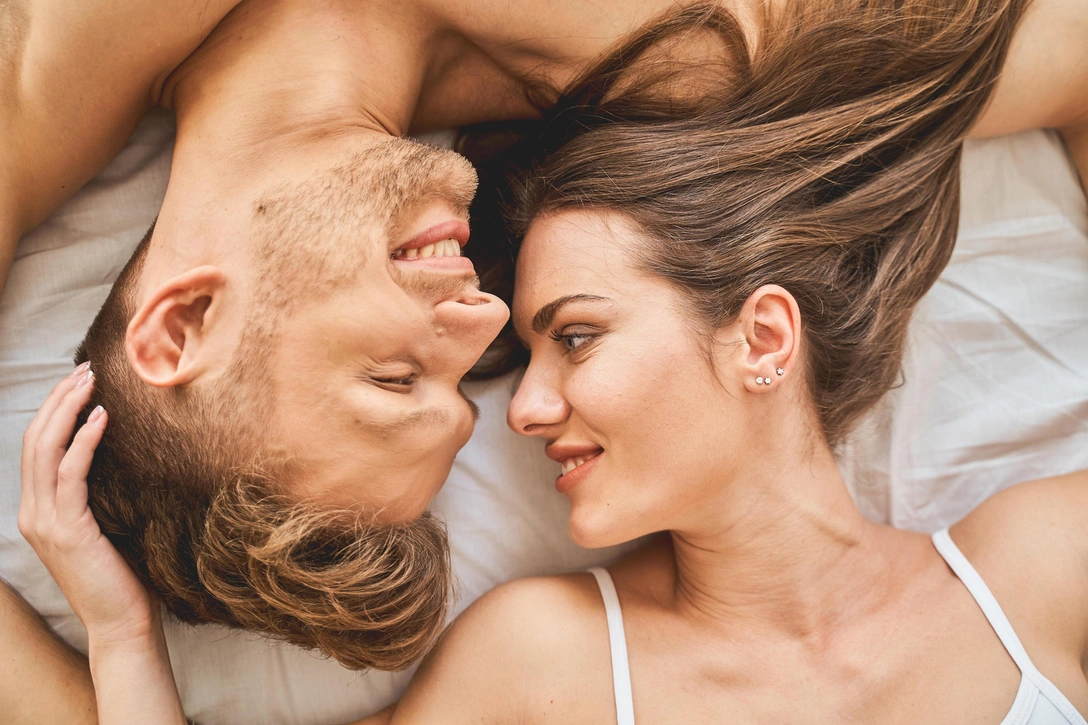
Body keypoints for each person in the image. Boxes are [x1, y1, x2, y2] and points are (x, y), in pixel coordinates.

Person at [13, 0, 1088, 723]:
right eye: (463, 381)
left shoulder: (51, 60)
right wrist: (117, 635)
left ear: (181, 326)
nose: (481, 316)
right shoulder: (713, 59)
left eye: (395, 378)